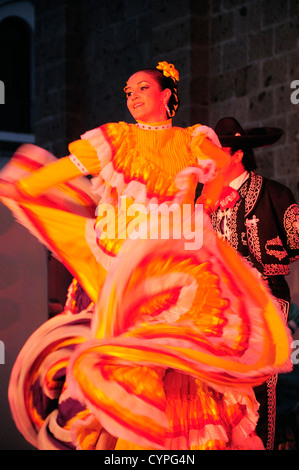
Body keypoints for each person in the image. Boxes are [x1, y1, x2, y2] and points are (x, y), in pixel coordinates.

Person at [0, 64, 291, 450]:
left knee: (184, 373)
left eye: (142, 88)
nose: (132, 96)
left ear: (166, 94)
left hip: (178, 274)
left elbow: (221, 168)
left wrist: (201, 201)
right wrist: (21, 185)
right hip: (126, 273)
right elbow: (65, 169)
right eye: (128, 91)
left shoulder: (190, 141)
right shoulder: (116, 139)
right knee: (130, 363)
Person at [207, 116, 299, 450]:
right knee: (217, 387)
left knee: (259, 383)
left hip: (263, 301)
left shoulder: (274, 194)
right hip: (216, 306)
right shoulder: (203, 201)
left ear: (237, 155)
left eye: (217, 150)